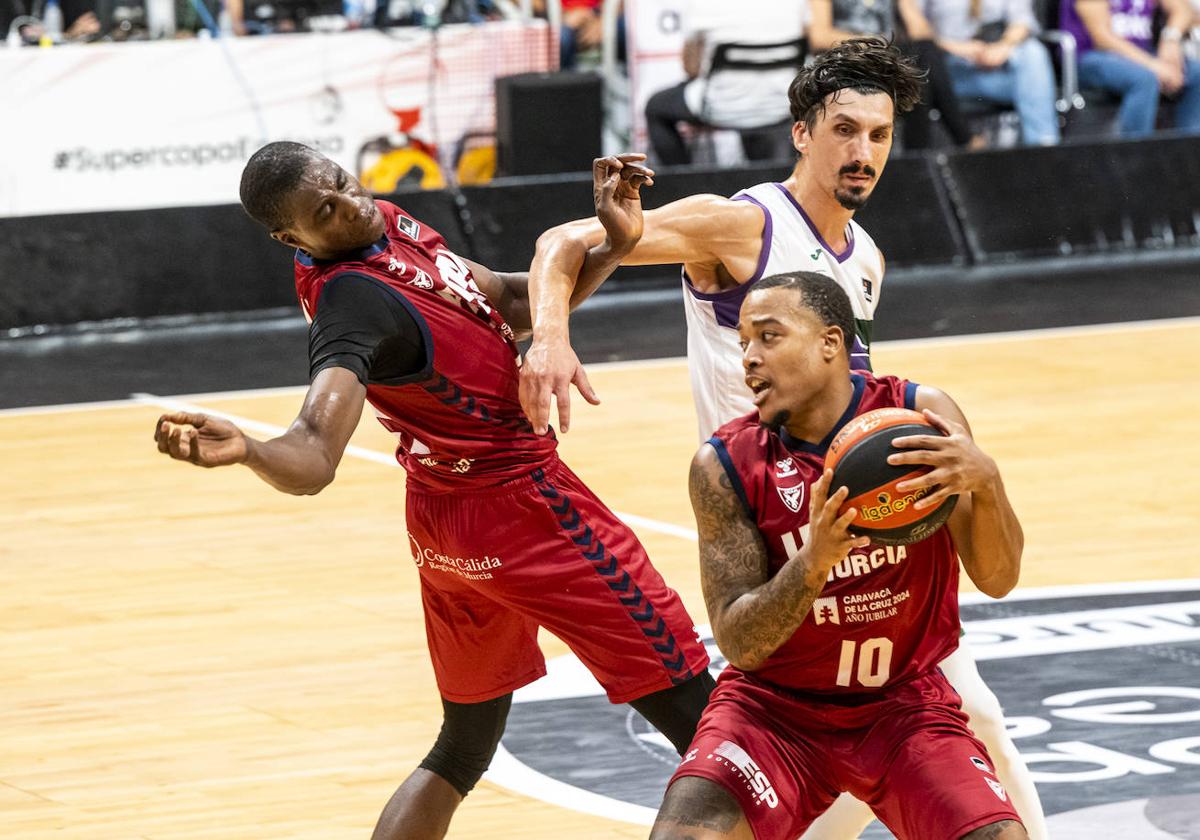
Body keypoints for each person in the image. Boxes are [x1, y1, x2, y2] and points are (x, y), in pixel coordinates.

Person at [522, 37, 1048, 840]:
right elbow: (560, 244)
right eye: (844, 130)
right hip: (765, 529)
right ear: (802, 132)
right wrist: (551, 338)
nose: (862, 151)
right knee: (923, 733)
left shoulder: (864, 256)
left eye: (878, 135)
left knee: (957, 728)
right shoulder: (744, 223)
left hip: (862, 532)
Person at [151, 142, 714, 840]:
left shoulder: (382, 225)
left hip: (448, 531)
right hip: (526, 512)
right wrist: (252, 450)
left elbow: (508, 302)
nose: (352, 204)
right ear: (292, 239)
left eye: (345, 182)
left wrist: (614, 247)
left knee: (462, 748)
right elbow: (315, 450)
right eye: (327, 209)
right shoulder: (354, 303)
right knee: (711, 728)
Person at [649, 271, 1027, 840]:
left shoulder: (919, 420)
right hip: (774, 713)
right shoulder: (725, 464)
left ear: (831, 343)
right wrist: (813, 563)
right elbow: (738, 641)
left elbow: (997, 579)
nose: (748, 358)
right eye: (743, 342)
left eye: (769, 337)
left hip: (903, 708)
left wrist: (987, 481)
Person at [643, 0, 806, 165]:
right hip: (782, 106)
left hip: (720, 107)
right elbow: (812, 39)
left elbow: (690, 67)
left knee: (655, 107)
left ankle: (684, 187)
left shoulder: (701, 5)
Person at [808, 0, 986, 150]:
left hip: (889, 59)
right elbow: (819, 37)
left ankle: (920, 158)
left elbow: (922, 33)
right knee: (918, 66)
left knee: (923, 55)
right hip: (849, 60)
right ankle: (959, 139)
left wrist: (907, 6)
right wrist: (871, 42)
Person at [918, 0, 1062, 145]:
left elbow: (1022, 21)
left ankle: (1044, 146)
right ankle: (967, 142)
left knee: (1033, 52)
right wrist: (957, 48)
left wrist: (1003, 46)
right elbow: (915, 29)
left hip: (996, 65)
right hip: (950, 70)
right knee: (926, 58)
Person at [1062, 0, 1200, 137]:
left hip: (1142, 54)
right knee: (1144, 79)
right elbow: (1102, 38)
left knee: (1196, 73)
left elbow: (1184, 9)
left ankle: (1191, 151)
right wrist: (1154, 65)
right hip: (1092, 57)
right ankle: (1134, 154)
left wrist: (1171, 38)